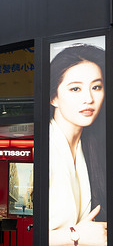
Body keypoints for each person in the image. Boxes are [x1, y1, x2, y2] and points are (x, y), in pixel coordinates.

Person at [49, 43, 107, 245]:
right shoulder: (46, 147)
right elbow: (30, 231)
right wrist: (77, 235)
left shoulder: (90, 147)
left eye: (96, 87)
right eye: (75, 88)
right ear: (54, 97)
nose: (88, 98)